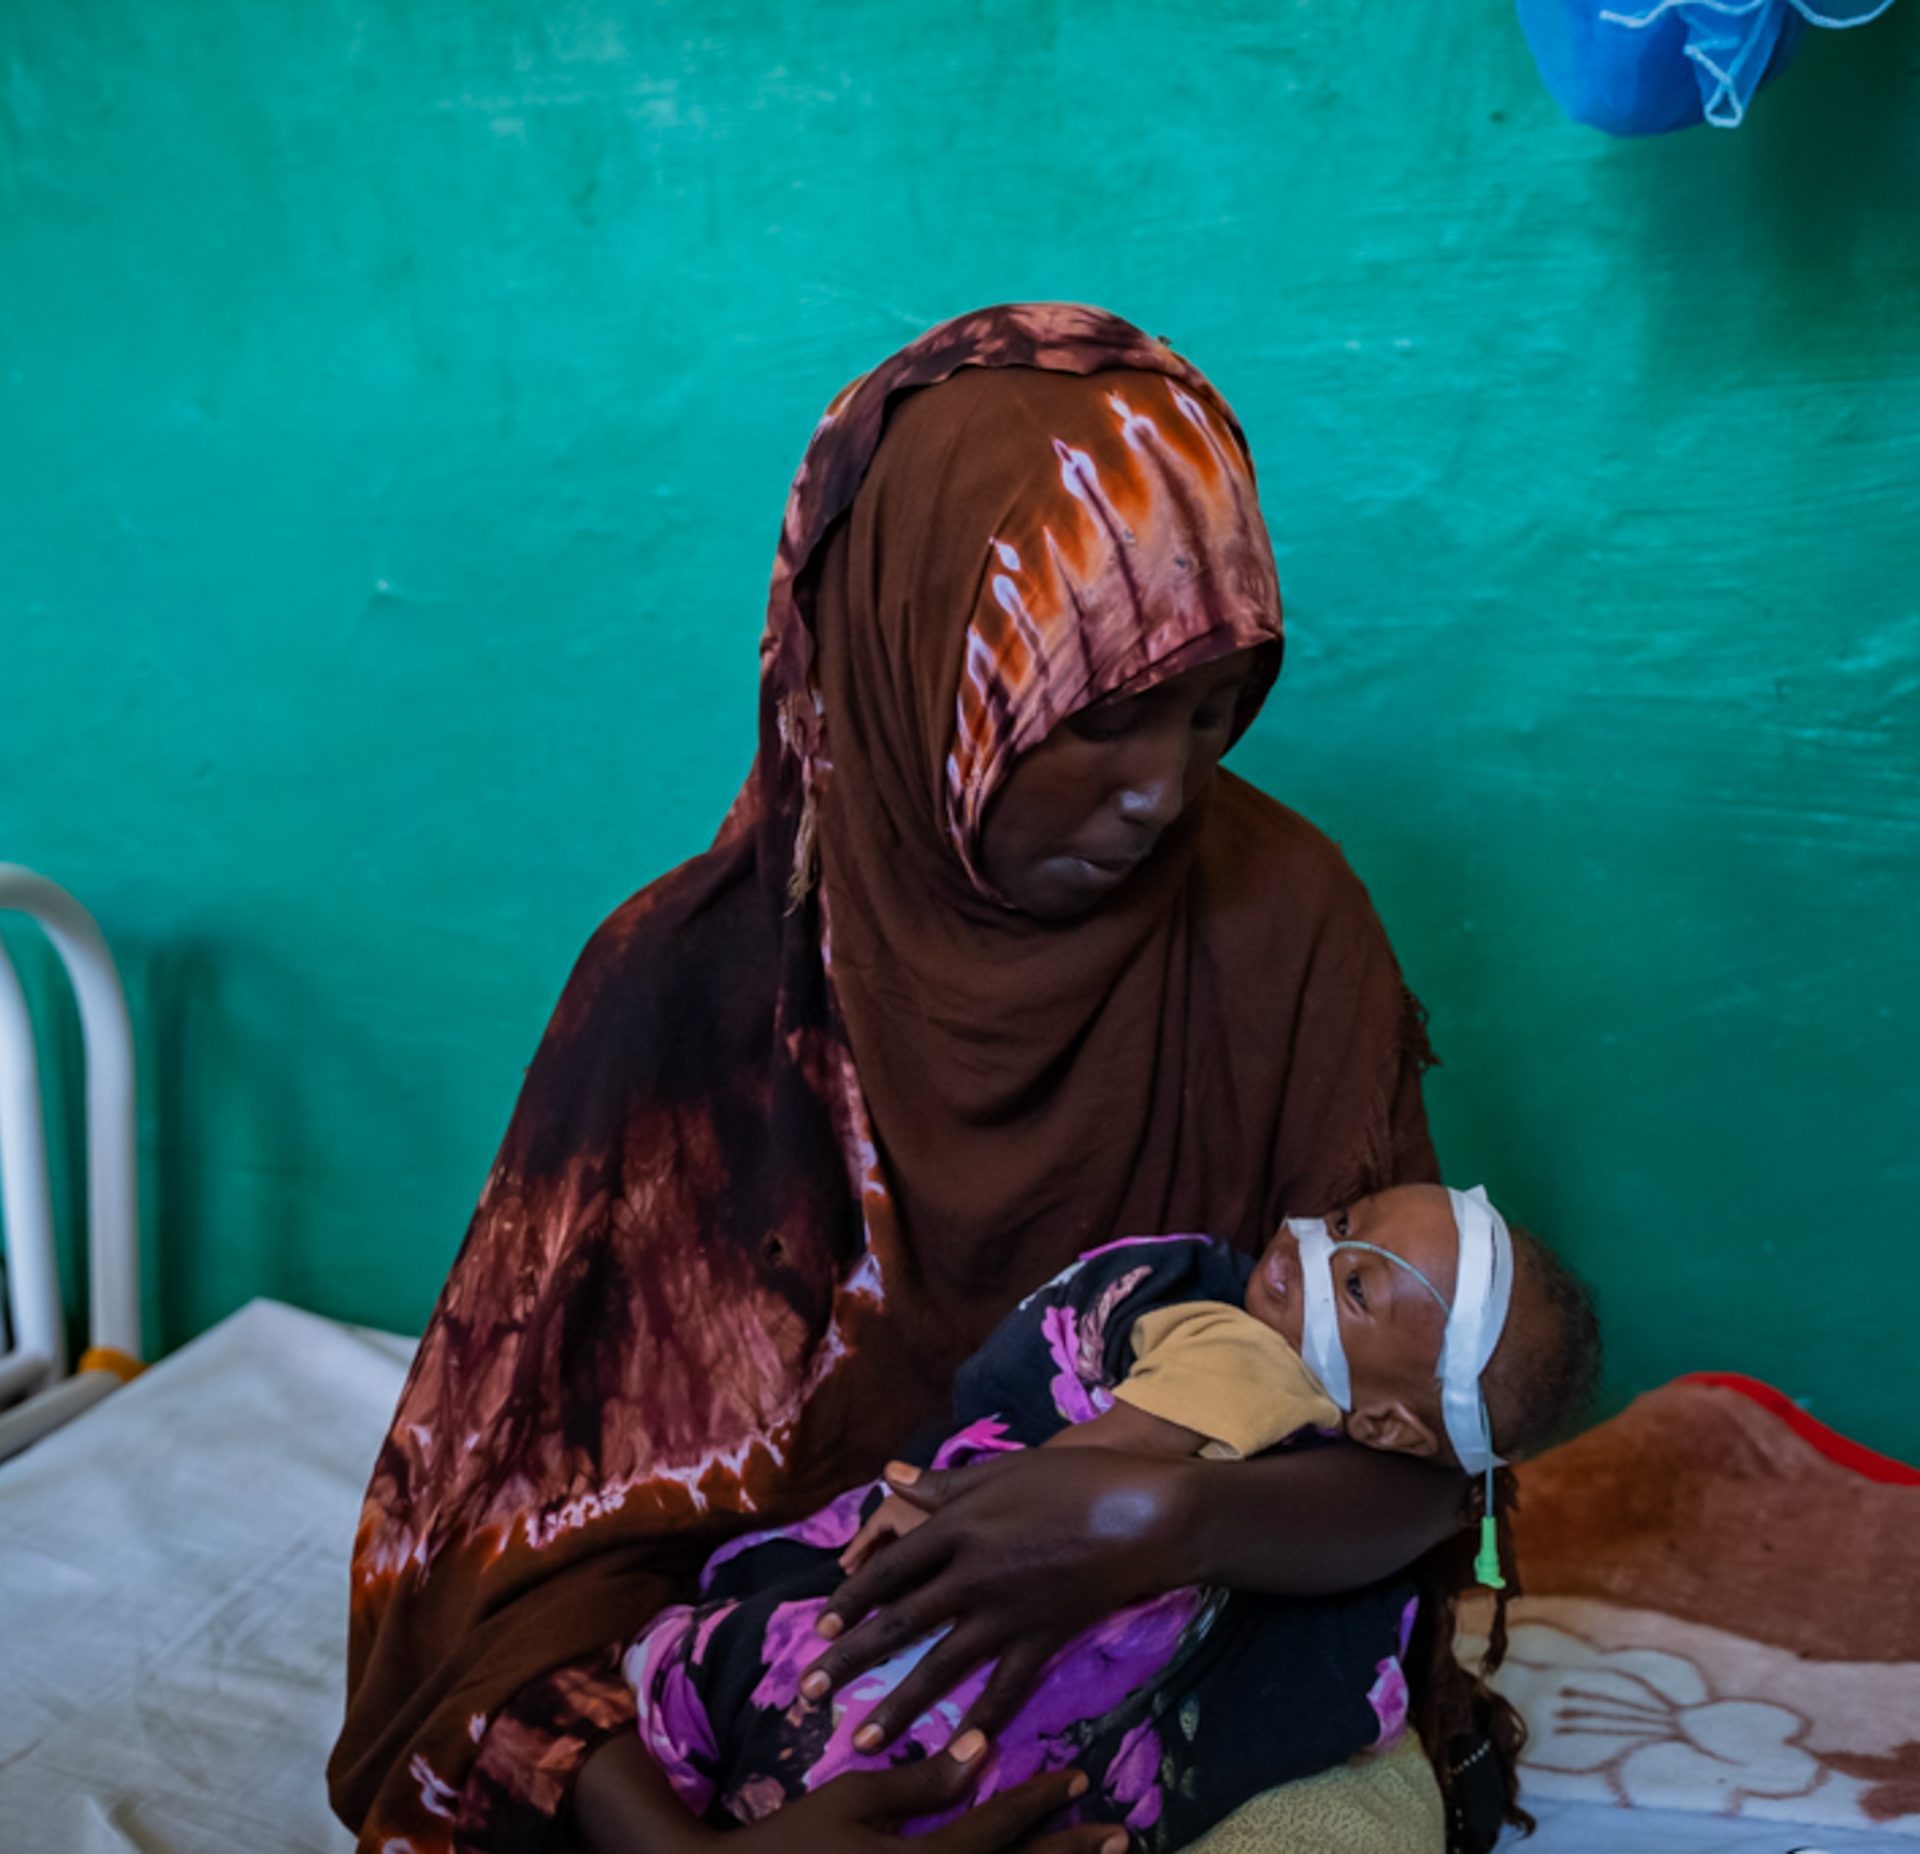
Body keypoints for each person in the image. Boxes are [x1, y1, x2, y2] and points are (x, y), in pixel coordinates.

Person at [329, 303, 1509, 1854]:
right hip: (751, 1742)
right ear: (915, 668)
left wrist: (1164, 1513)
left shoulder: (1285, 924)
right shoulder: (685, 1001)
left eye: (1216, 713)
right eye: (1098, 717)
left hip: (1168, 1691)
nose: (1166, 789)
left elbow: (1434, 1469)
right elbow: (492, 1598)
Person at [622, 1187, 1601, 1850]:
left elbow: (1084, 1482)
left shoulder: (1254, 1366)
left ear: (1392, 1422)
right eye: (1343, 1217)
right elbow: (1068, 1490)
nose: (1311, 1240)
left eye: (1356, 1284)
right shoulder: (1237, 1349)